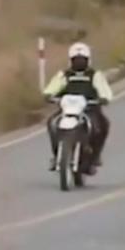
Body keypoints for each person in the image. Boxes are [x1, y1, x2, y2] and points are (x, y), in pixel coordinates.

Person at [43, 42, 113, 174]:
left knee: (104, 125)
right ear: (71, 60)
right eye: (76, 60)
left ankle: (95, 156)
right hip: (67, 110)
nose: (79, 62)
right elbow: (52, 88)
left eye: (82, 60)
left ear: (88, 60)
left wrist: (103, 98)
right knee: (51, 123)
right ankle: (57, 154)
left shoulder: (95, 75)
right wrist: (48, 95)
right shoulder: (64, 75)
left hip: (89, 109)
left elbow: (104, 90)